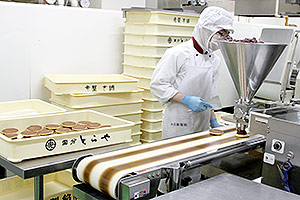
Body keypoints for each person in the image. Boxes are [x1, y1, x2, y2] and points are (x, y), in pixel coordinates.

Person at [150, 6, 234, 139]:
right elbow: (158, 85)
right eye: (220, 33)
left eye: (226, 34)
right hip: (178, 123)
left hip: (203, 123)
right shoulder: (178, 53)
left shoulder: (215, 60)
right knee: (176, 157)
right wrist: (186, 99)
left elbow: (210, 96)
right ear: (205, 29)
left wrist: (213, 121)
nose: (223, 38)